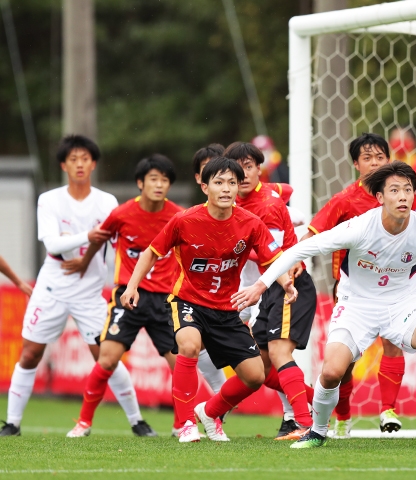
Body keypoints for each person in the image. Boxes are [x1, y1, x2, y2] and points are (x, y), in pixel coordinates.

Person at [233, 161, 416, 448]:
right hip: (356, 307)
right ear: (380, 197)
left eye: (407, 190)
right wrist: (260, 285)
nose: (402, 196)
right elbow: (301, 249)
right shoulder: (360, 227)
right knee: (332, 373)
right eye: (394, 190)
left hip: (403, 305)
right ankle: (318, 431)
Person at [120, 156, 297, 443]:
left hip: (227, 309)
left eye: (232, 183)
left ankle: (210, 412)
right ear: (205, 187)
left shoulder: (251, 223)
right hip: (187, 301)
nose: (226, 188)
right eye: (219, 182)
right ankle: (186, 424)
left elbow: (273, 259)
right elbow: (152, 252)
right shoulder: (185, 220)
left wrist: (286, 282)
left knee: (255, 375)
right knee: (189, 345)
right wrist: (132, 286)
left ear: (238, 188)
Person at [1, 135, 147, 437]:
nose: (79, 164)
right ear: (63, 165)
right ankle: (12, 423)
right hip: (52, 288)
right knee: (30, 353)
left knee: (106, 356)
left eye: (85, 159)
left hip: (89, 292)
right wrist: (88, 236)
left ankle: (137, 422)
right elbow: (53, 244)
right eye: (73, 159)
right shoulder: (49, 199)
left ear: (93, 164)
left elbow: (118, 242)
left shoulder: (107, 201)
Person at [301, 133, 416, 438]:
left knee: (393, 343)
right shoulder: (344, 200)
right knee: (345, 362)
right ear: (356, 164)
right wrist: (294, 263)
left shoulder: (402, 195)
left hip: (393, 288)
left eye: (380, 157)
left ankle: (388, 411)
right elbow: (313, 232)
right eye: (367, 158)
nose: (375, 163)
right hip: (353, 292)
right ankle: (342, 417)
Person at [64, 154, 183, 437]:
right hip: (128, 297)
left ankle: (182, 425)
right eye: (154, 179)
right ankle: (83, 423)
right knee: (106, 359)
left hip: (164, 300)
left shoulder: (179, 216)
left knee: (181, 365)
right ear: (140, 183)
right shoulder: (122, 214)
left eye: (165, 180)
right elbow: (99, 238)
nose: (159, 185)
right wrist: (84, 262)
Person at [225, 142, 317, 440]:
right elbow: (287, 189)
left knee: (275, 354)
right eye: (237, 169)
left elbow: (273, 255)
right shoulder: (232, 201)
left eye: (249, 167)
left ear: (259, 169)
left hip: (278, 283)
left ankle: (300, 420)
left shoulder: (266, 204)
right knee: (258, 367)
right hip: (254, 288)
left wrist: (286, 209)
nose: (243, 174)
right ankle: (209, 412)